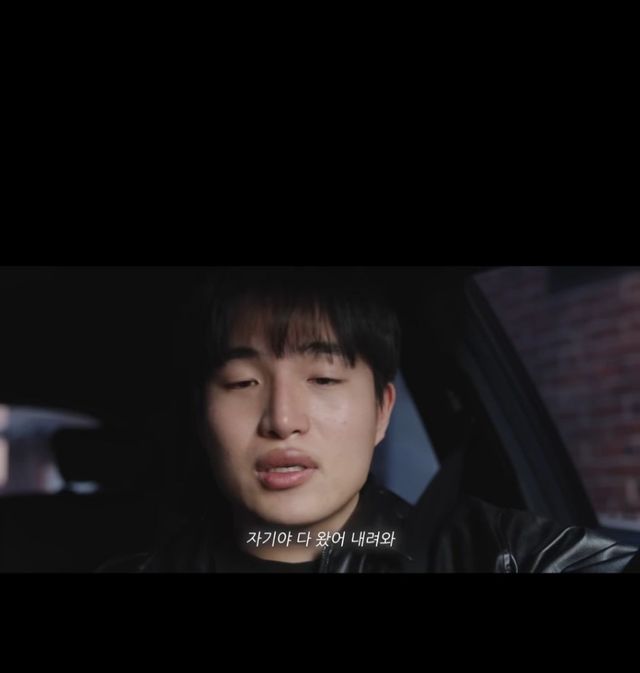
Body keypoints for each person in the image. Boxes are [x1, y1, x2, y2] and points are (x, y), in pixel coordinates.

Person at [101, 268, 639, 573]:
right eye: (243, 383)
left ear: (382, 412)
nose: (283, 420)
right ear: (202, 419)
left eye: (324, 378)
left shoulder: (496, 554)